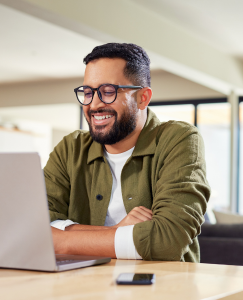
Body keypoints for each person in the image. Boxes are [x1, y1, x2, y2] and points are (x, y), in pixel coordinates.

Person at [44, 43, 210, 261]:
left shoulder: (179, 140)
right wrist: (120, 232)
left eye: (108, 91)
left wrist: (61, 241)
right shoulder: (70, 148)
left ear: (143, 97)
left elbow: (168, 240)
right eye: (87, 92)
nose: (93, 105)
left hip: (161, 288)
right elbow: (34, 226)